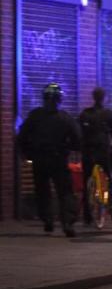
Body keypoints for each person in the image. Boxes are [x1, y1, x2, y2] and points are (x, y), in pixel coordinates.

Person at [17, 83, 82, 237]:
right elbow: (77, 139)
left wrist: (27, 154)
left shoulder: (35, 116)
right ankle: (67, 223)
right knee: (65, 191)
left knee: (42, 190)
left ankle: (47, 220)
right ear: (59, 99)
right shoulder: (65, 118)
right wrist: (70, 148)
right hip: (59, 159)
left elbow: (22, 136)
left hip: (39, 159)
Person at [76, 87, 112, 225]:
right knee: (110, 175)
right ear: (104, 98)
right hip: (103, 151)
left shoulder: (85, 114)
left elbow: (78, 131)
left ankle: (88, 216)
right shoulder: (108, 114)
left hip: (88, 152)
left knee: (86, 180)